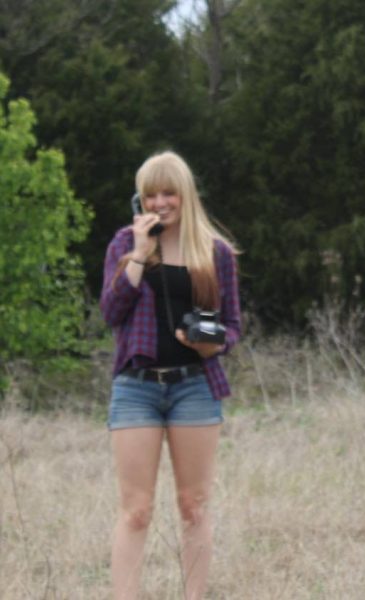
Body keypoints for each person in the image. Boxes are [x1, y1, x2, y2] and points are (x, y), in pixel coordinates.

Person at [100, 151, 241, 600]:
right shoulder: (125, 242)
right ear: (139, 199)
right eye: (151, 194)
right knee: (136, 511)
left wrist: (212, 344)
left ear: (185, 195)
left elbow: (233, 325)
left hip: (195, 386)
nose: (160, 202)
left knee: (194, 507)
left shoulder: (215, 251)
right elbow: (111, 312)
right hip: (136, 388)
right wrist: (140, 256)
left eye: (169, 192)